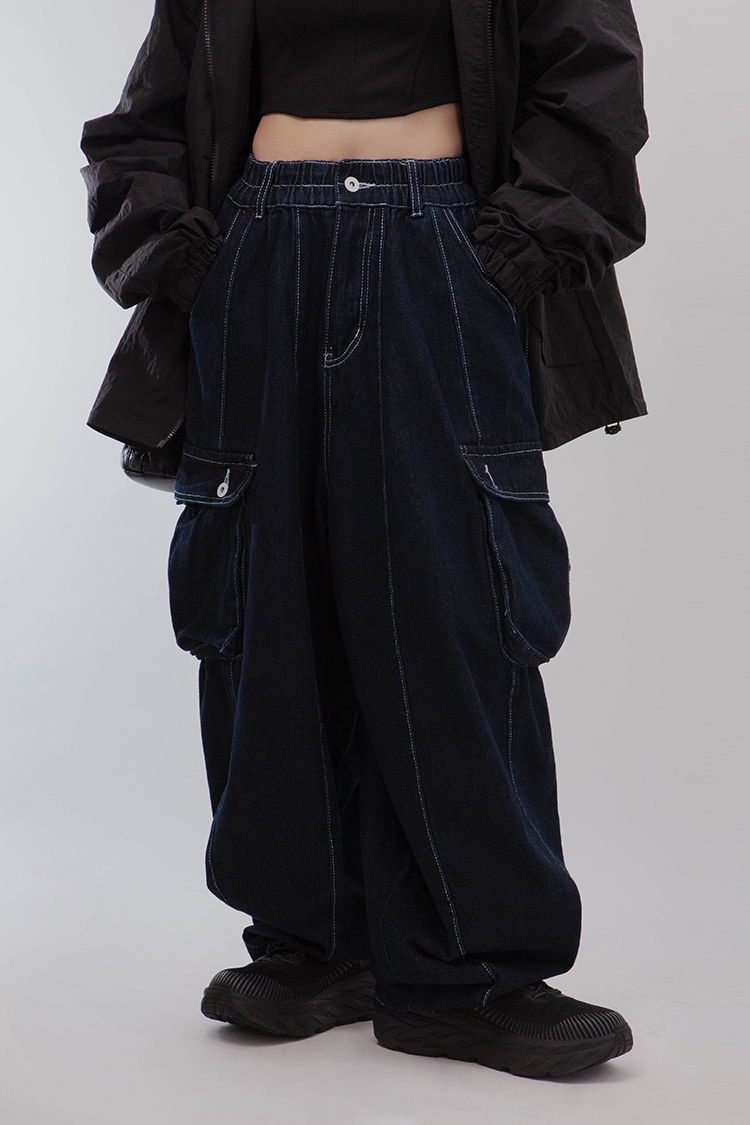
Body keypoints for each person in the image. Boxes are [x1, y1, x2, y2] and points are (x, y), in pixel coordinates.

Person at [79, 0, 648, 1080]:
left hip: (442, 245)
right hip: (257, 247)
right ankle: (316, 944)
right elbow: (141, 121)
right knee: (263, 608)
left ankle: (473, 973)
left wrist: (522, 239)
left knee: (455, 603)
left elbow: (594, 83)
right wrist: (174, 251)